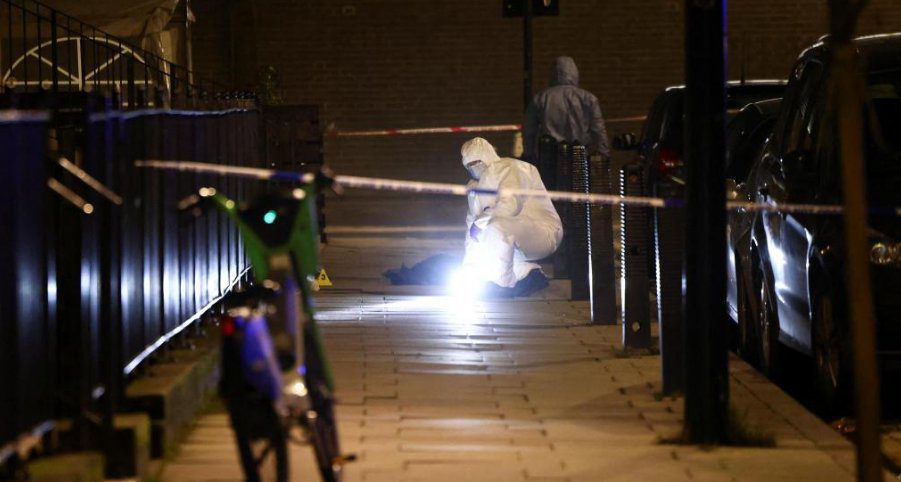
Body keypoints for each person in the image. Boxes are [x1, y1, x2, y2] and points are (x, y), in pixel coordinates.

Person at [461, 137, 563, 291]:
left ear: (486, 156)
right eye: (469, 166)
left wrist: (480, 223)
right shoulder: (474, 189)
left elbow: (509, 205)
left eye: (476, 163)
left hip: (543, 231)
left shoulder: (512, 168)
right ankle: (529, 272)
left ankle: (503, 285)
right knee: (489, 254)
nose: (474, 168)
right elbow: (472, 233)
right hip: (514, 237)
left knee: (496, 227)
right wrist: (468, 269)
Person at [522, 56, 611, 165]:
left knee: (548, 181)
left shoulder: (541, 98)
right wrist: (603, 154)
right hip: (579, 155)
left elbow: (529, 131)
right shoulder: (588, 98)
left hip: (549, 156)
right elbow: (599, 129)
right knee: (580, 181)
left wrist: (529, 155)